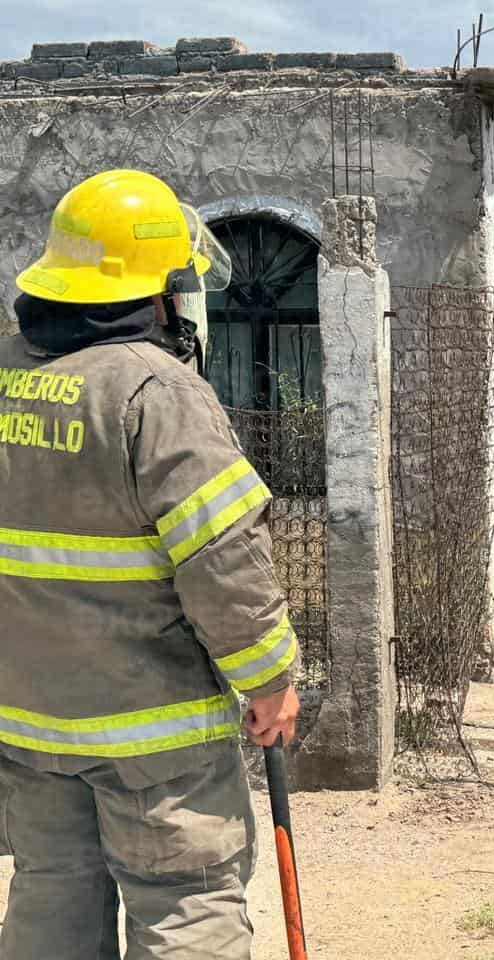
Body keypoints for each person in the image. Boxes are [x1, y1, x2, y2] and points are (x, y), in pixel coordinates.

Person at [0, 169, 300, 959]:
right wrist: (269, 680)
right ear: (157, 292)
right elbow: (225, 561)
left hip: (28, 723)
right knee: (187, 903)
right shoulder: (155, 392)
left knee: (52, 896)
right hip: (153, 735)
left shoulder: (5, 377)